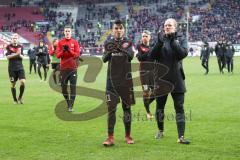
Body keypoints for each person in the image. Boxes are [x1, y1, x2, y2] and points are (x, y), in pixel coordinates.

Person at [149, 18, 190, 144]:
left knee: (179, 108)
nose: (167, 27)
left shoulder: (181, 39)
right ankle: (160, 130)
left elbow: (182, 54)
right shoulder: (160, 40)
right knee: (160, 107)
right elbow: (152, 56)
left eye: (170, 25)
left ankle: (181, 136)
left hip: (177, 79)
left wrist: (173, 40)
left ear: (175, 27)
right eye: (166, 25)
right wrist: (159, 43)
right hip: (161, 80)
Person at [102, 20, 135, 146]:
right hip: (111, 82)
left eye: (120, 28)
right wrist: (111, 51)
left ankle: (128, 135)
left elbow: (131, 56)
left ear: (123, 30)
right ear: (113, 30)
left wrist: (120, 48)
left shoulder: (129, 42)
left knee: (127, 109)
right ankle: (110, 138)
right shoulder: (108, 42)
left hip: (126, 81)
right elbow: (104, 59)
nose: (118, 30)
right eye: (116, 28)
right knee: (111, 110)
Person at [56, 26, 80, 112]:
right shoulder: (60, 43)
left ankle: (71, 106)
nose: (67, 32)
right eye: (66, 31)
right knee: (63, 89)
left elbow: (77, 55)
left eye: (68, 31)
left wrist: (69, 50)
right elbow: (58, 55)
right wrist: (63, 50)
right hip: (64, 69)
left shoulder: (75, 42)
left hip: (73, 68)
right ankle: (68, 102)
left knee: (73, 88)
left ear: (71, 32)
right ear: (64, 32)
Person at [136, 30, 155, 119]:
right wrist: (149, 52)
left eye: (146, 36)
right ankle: (148, 112)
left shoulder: (153, 46)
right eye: (143, 36)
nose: (144, 38)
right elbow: (140, 58)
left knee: (156, 91)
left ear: (149, 38)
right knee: (146, 92)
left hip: (153, 72)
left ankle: (146, 103)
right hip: (144, 74)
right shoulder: (139, 46)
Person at [5, 33, 26, 104]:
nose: (14, 39)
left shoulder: (21, 47)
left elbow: (23, 57)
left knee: (23, 82)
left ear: (18, 39)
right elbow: (7, 57)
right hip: (11, 69)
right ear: (11, 39)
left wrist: (18, 54)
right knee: (13, 84)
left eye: (16, 38)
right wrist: (17, 54)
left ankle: (20, 97)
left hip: (20, 67)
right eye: (13, 38)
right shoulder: (8, 47)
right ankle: (14, 99)